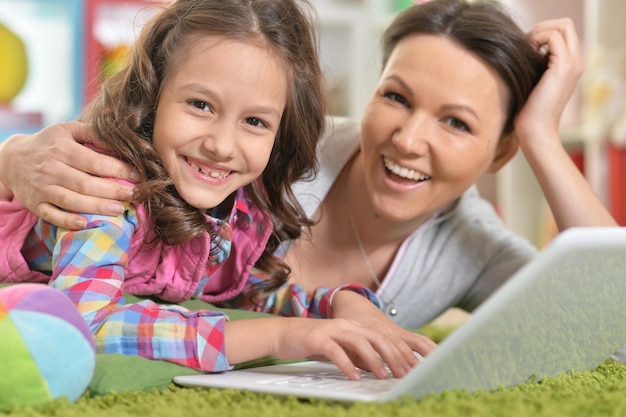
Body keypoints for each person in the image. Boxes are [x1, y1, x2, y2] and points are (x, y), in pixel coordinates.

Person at [0, 0, 616, 359]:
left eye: (456, 122)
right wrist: (12, 157)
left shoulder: (243, 192)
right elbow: (87, 321)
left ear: (500, 151)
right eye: (396, 97)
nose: (408, 139)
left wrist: (542, 136)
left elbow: (612, 325)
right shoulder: (250, 165)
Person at [0, 0, 436, 381]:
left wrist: (338, 305)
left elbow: (242, 293)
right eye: (200, 105)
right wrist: (282, 337)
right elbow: (81, 323)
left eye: (255, 122)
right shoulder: (107, 186)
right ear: (152, 96)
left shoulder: (240, 208)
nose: (221, 146)